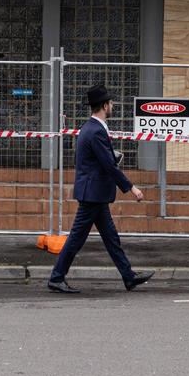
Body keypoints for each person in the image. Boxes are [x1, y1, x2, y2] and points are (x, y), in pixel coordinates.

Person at [47, 85, 155, 294]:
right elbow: (108, 164)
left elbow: (99, 159)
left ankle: (128, 276)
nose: (113, 105)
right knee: (76, 239)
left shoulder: (92, 128)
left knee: (111, 238)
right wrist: (131, 188)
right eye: (111, 103)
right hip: (92, 194)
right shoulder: (95, 130)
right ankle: (56, 277)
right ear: (105, 106)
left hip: (95, 193)